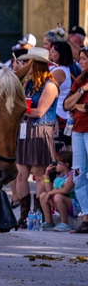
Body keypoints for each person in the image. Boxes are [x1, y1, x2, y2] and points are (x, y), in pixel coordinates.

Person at [15, 47, 59, 227]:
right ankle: (24, 215)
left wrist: (18, 108)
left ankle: (38, 212)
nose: (25, 65)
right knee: (20, 175)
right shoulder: (29, 84)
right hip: (25, 129)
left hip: (40, 131)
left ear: (37, 64)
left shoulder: (49, 85)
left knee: (39, 175)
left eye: (28, 62)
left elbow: (40, 111)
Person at [62, 46, 88, 234]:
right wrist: (83, 90)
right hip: (77, 130)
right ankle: (85, 216)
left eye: (84, 59)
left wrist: (77, 105)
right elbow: (66, 105)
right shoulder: (80, 80)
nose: (80, 62)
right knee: (79, 173)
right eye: (79, 58)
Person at [39, 150, 76, 231]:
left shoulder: (72, 175)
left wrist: (50, 193)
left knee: (58, 196)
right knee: (43, 195)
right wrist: (47, 176)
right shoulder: (60, 176)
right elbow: (49, 190)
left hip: (74, 206)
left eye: (58, 162)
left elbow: (66, 190)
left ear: (66, 165)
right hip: (61, 203)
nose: (56, 164)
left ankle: (65, 223)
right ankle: (49, 222)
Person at [50, 40, 77, 150]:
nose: (50, 53)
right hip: (59, 113)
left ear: (61, 54)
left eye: (53, 51)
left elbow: (46, 89)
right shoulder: (59, 69)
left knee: (58, 147)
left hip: (59, 114)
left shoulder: (59, 71)